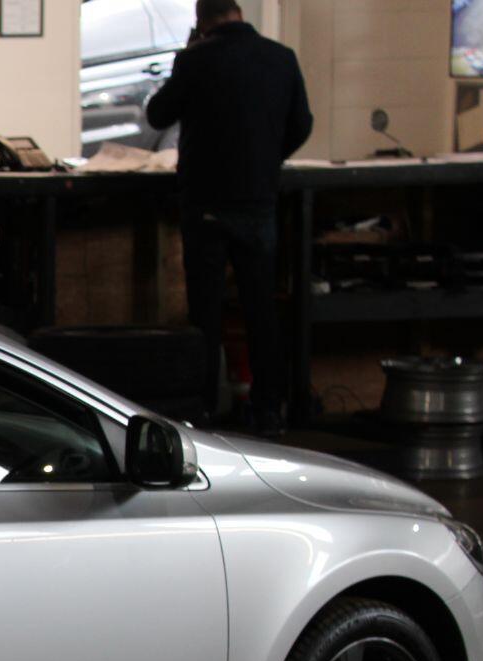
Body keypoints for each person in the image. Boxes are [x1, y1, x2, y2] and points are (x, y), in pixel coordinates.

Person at [147, 0, 313, 435]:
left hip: (205, 204)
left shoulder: (194, 60)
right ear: (239, 13)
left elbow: (157, 114)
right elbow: (302, 124)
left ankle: (203, 408)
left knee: (205, 312)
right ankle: (268, 407)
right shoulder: (281, 57)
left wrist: (186, 53)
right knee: (261, 308)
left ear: (201, 21)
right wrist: (268, 160)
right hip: (257, 200)